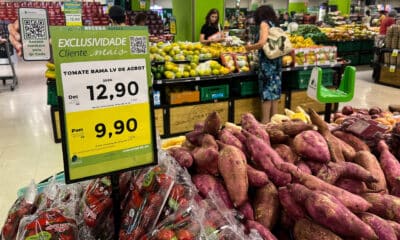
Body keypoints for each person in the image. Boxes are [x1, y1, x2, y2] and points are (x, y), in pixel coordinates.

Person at [245, 5, 282, 123]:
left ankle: (265, 121)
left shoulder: (264, 24)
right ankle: (275, 120)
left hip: (267, 62)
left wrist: (249, 47)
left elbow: (262, 43)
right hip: (276, 59)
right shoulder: (275, 23)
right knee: (275, 90)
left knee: (266, 91)